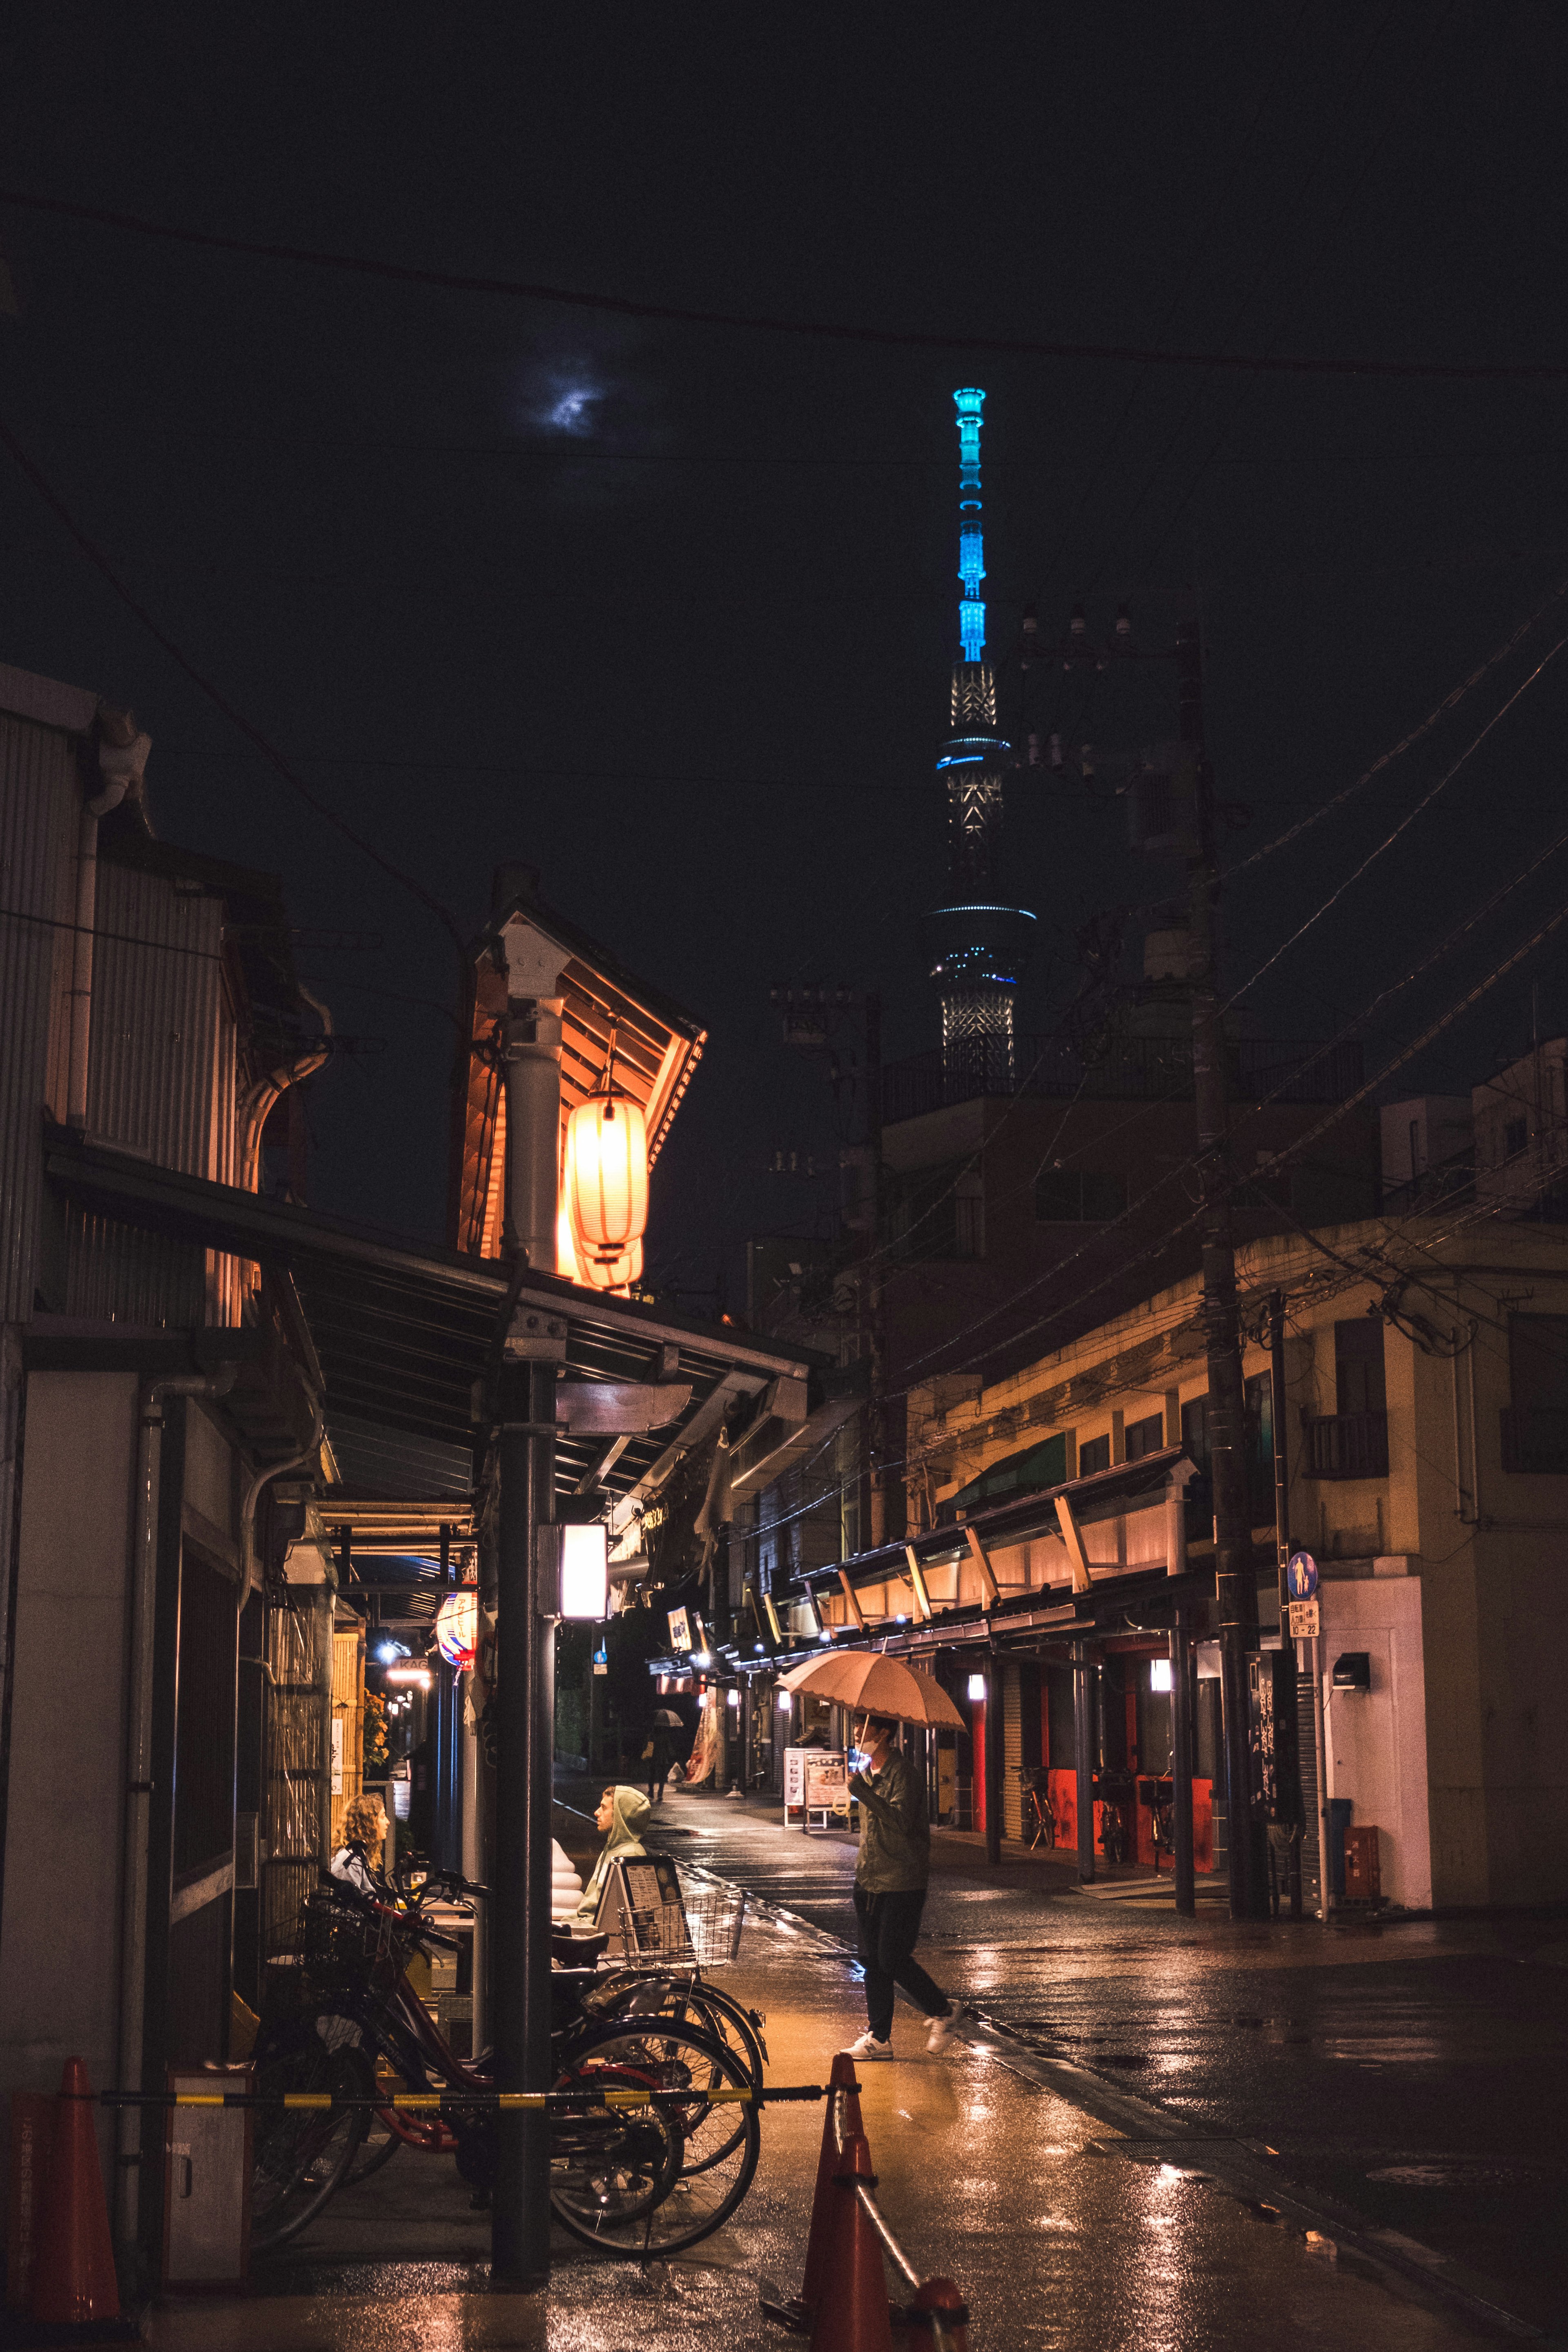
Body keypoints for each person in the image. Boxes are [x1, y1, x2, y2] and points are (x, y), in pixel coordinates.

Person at [845, 1713, 956, 2061]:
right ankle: (879, 2038)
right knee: (871, 1960)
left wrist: (863, 1794)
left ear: (885, 1734)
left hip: (902, 1880)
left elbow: (901, 1823)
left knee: (892, 1957)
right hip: (869, 1877)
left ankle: (944, 2010)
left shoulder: (904, 1774)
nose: (858, 1734)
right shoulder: (865, 1773)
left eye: (864, 1730)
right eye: (856, 1728)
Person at [573, 1783, 652, 1927]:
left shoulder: (631, 1854)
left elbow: (616, 1915)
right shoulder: (611, 1849)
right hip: (589, 1923)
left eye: (604, 1808)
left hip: (598, 1931)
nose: (597, 1813)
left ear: (621, 1815)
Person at [330, 1792, 388, 1898]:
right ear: (369, 1822)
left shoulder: (357, 1855)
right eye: (383, 1816)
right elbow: (346, 1909)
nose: (388, 1822)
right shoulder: (351, 1861)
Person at [644, 1719, 675, 1804]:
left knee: (651, 1777)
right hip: (662, 1759)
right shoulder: (665, 1736)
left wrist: (647, 1757)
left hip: (653, 1759)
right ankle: (660, 1795)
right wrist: (671, 1755)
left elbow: (649, 1748)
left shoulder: (652, 1736)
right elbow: (669, 1748)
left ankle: (651, 1793)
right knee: (661, 1778)